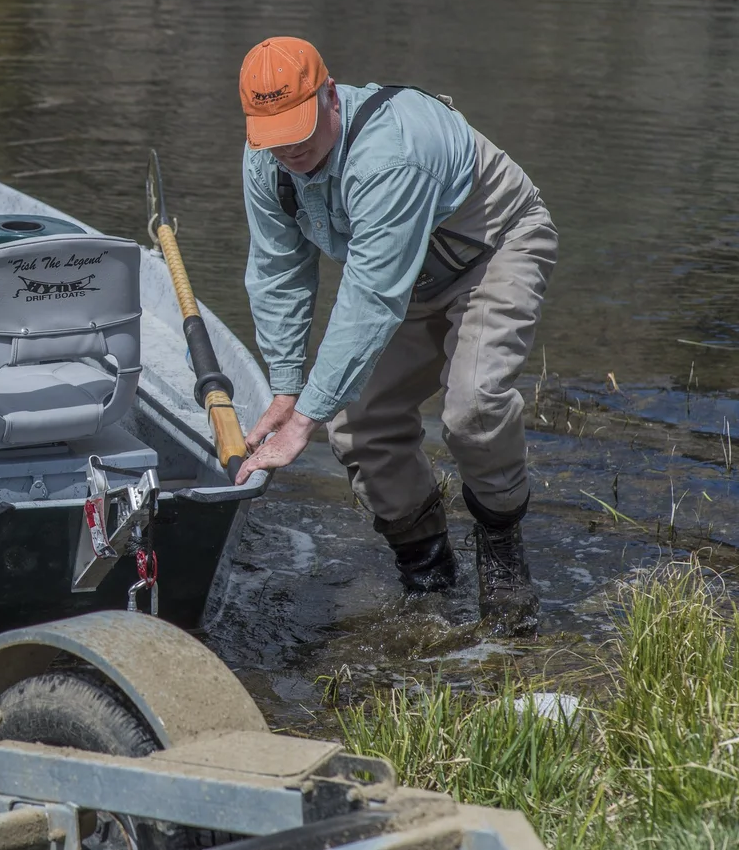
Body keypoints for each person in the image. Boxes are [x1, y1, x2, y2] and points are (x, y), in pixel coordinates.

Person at [231, 37, 557, 635]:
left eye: (301, 131)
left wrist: (305, 418)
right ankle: (428, 580)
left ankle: (503, 551)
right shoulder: (267, 161)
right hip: (405, 276)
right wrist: (284, 387)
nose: (291, 151)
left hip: (492, 248)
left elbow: (371, 297)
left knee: (474, 408)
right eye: (275, 137)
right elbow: (278, 272)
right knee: (359, 428)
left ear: (330, 96)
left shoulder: (389, 155)